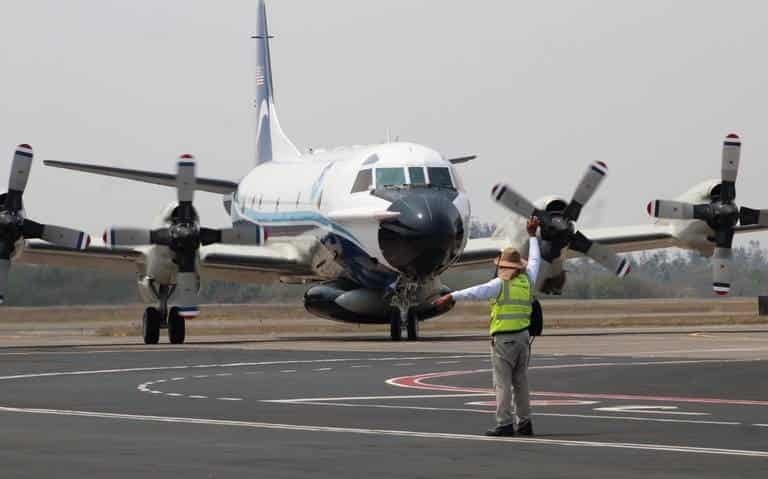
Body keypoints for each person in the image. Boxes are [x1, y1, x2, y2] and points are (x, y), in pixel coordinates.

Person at [434, 217, 541, 437]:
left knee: (502, 384)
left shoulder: (499, 284)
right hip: (523, 339)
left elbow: (476, 291)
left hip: (503, 342)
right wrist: (533, 236)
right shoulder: (528, 279)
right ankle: (525, 423)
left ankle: (504, 423)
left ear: (503, 267)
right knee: (521, 382)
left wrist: (450, 296)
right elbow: (536, 261)